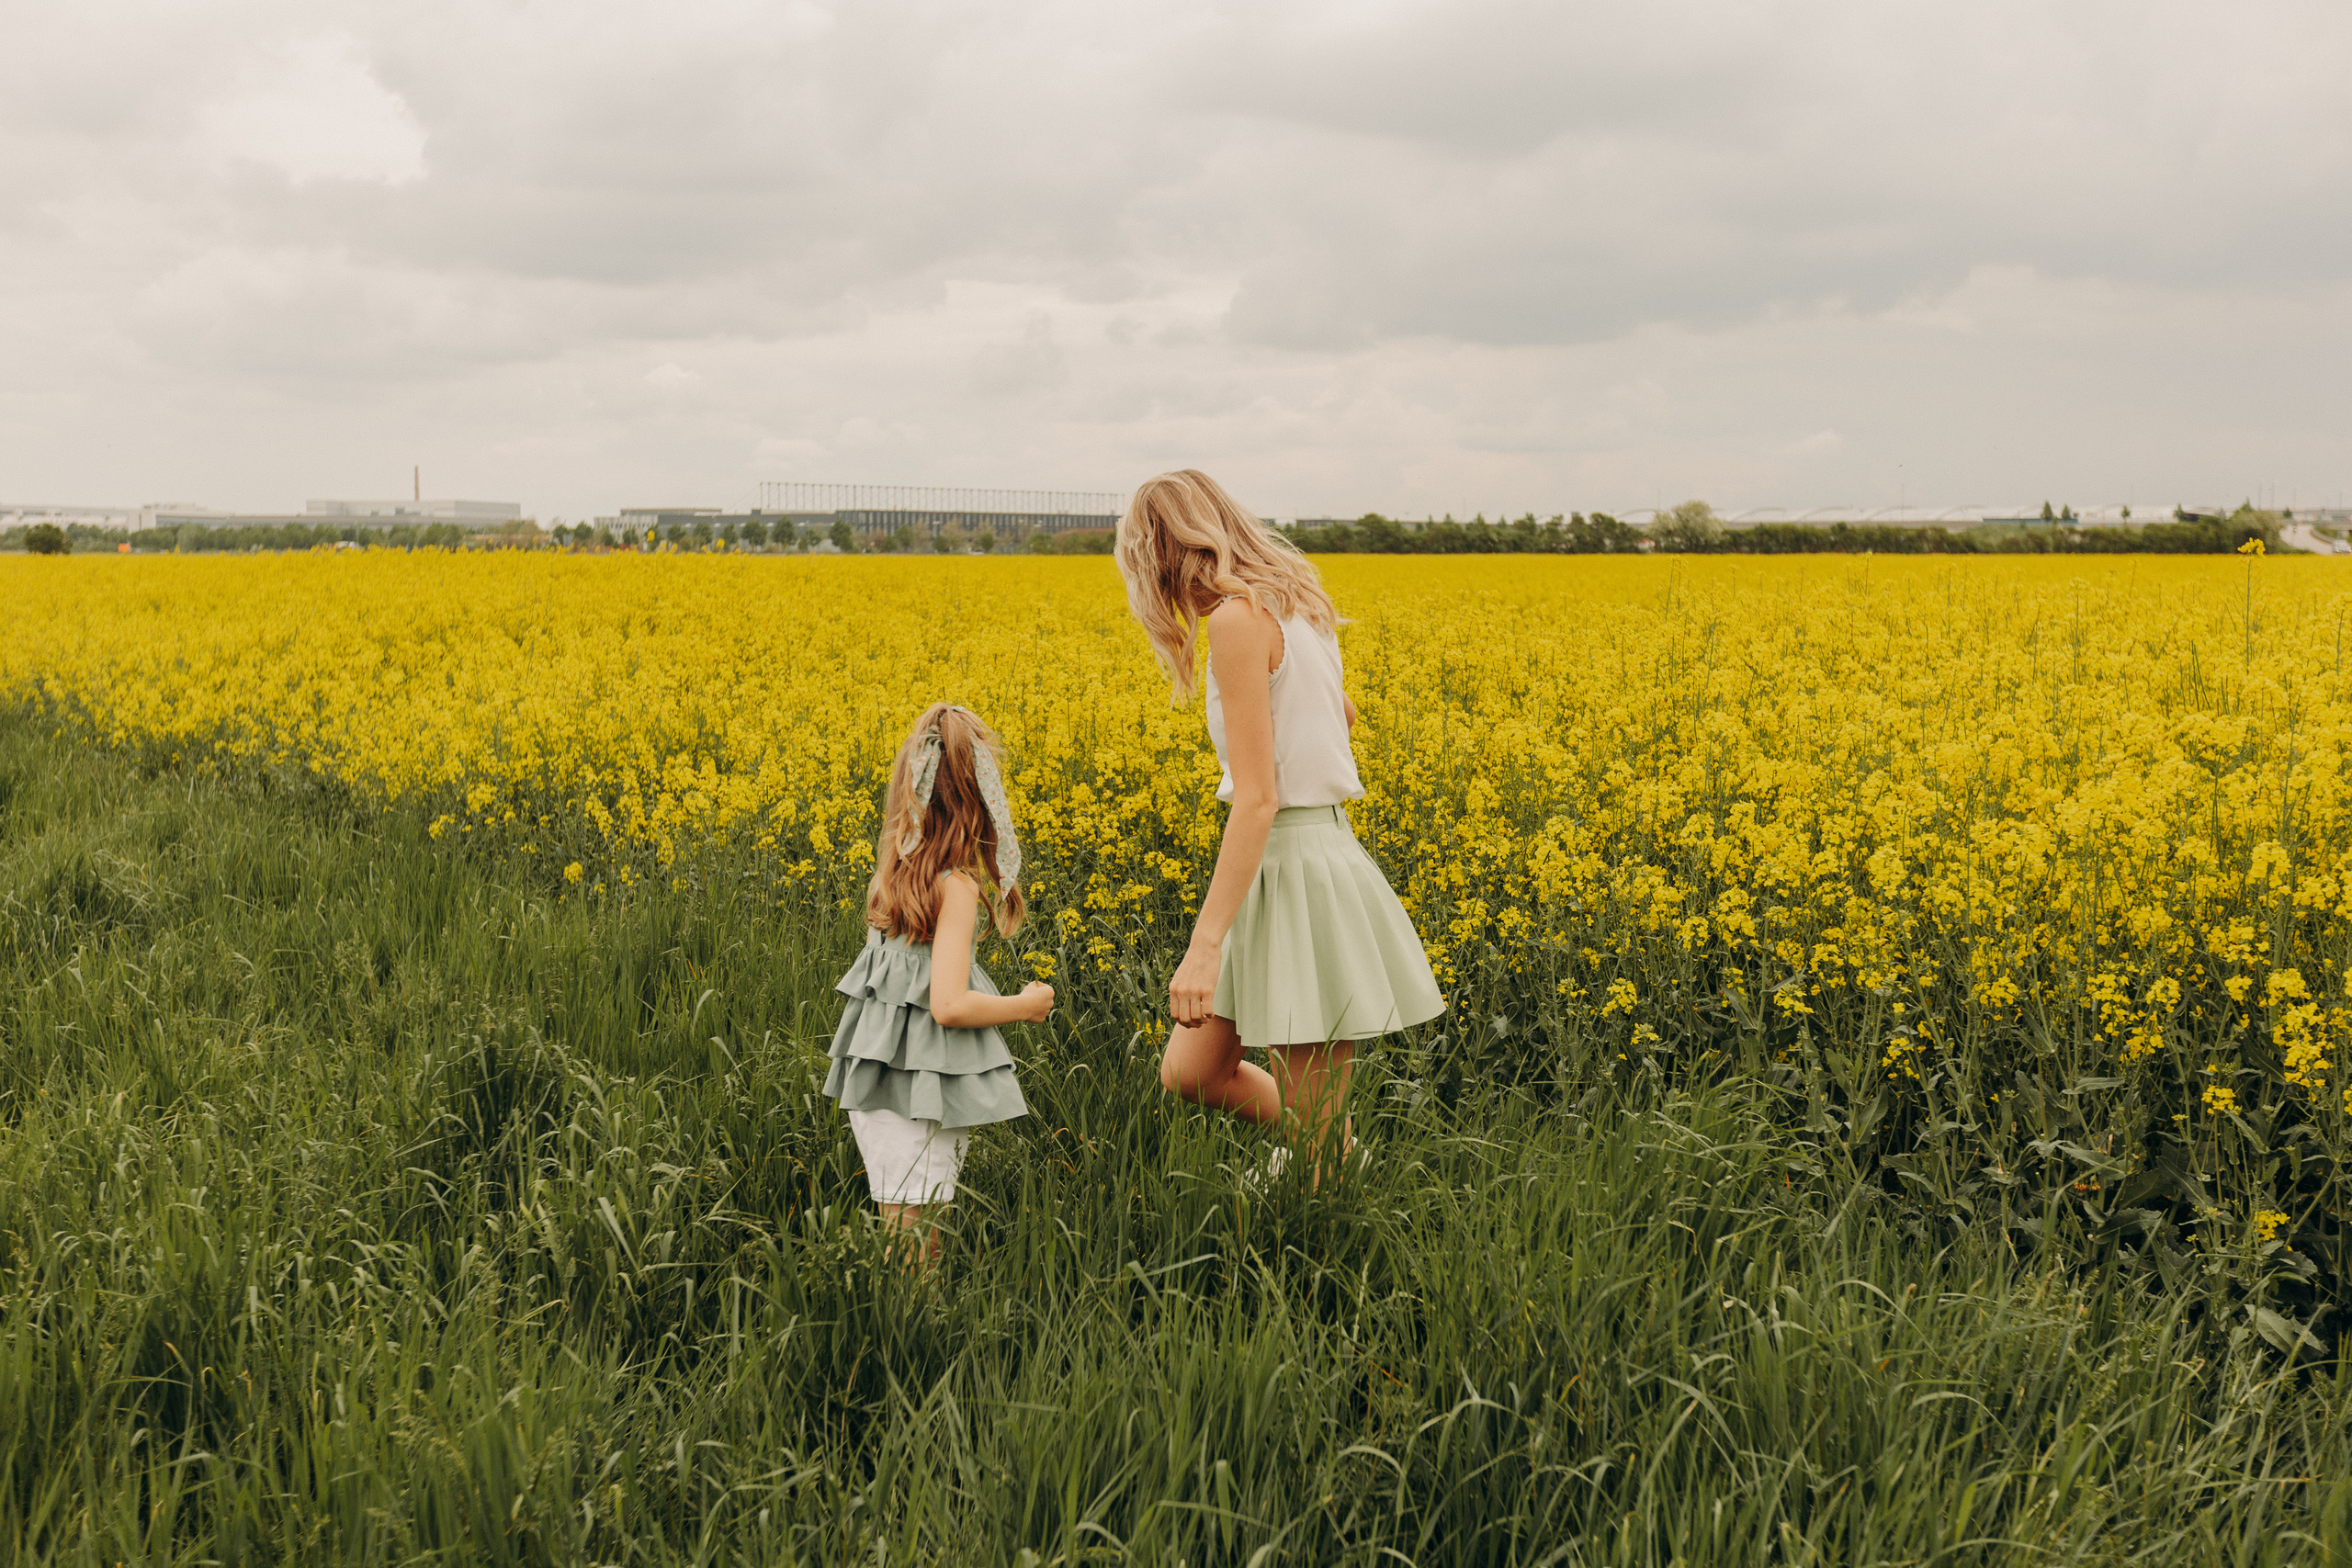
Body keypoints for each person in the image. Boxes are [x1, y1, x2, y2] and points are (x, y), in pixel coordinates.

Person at [1114, 469, 1444, 1178]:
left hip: (1292, 860)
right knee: (1192, 1070)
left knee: (1315, 1129)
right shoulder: (1299, 607)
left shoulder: (1237, 620)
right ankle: (1331, 1155)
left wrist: (1204, 947)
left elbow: (1258, 797)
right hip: (1287, 856)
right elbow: (1343, 716)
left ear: (1160, 553)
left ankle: (1327, 1187)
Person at [823, 704, 1055, 1265]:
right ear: (978, 803)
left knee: (898, 1224)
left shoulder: (893, 870)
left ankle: (897, 1326)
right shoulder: (956, 889)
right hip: (916, 1089)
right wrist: (1024, 1005)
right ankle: (910, 1339)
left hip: (875, 1079)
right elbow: (948, 1005)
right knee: (916, 1245)